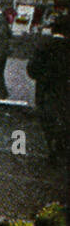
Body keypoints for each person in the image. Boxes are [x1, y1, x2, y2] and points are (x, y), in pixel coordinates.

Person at [27, 15, 70, 158]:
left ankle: (50, 145)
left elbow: (32, 69)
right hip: (65, 91)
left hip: (45, 91)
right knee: (64, 117)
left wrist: (43, 77)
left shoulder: (43, 45)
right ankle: (61, 145)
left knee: (47, 118)